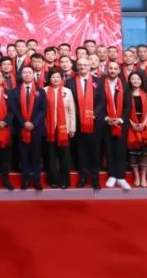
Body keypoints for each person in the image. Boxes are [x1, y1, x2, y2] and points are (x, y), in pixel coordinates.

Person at [69, 60, 102, 190]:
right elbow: (71, 103)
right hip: (78, 121)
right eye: (80, 65)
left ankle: (95, 178)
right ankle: (82, 177)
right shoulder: (70, 82)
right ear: (77, 67)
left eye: (85, 65)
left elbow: (102, 101)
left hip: (94, 122)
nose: (82, 67)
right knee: (81, 151)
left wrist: (94, 113)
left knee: (95, 150)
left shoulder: (99, 81)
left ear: (89, 66)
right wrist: (80, 115)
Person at [15, 67, 46, 191]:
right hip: (21, 128)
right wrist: (24, 123)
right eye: (24, 73)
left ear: (33, 74)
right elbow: (14, 110)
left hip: (36, 128)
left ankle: (36, 179)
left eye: (29, 72)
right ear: (21, 75)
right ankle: (26, 179)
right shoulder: (15, 91)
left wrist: (33, 123)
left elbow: (43, 110)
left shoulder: (41, 91)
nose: (27, 75)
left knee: (36, 155)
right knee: (23, 155)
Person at [100, 65, 130, 190]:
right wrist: (107, 118)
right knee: (109, 149)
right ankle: (112, 175)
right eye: (110, 68)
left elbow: (128, 105)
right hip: (106, 123)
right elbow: (99, 104)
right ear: (107, 70)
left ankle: (121, 177)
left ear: (118, 71)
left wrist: (120, 119)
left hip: (121, 123)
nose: (112, 71)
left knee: (120, 150)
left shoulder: (125, 85)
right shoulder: (101, 84)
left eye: (115, 69)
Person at [43, 71, 75, 190]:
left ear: (61, 79)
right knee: (50, 156)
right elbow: (41, 111)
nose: (56, 79)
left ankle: (65, 180)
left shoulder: (67, 91)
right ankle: (53, 180)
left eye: (58, 77)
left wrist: (72, 128)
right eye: (53, 77)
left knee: (64, 156)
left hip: (64, 128)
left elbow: (71, 111)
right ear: (49, 79)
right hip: (49, 128)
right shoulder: (44, 91)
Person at [126, 72, 147, 189]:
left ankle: (143, 177)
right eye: (133, 79)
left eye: (138, 79)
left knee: (144, 152)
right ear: (129, 80)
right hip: (131, 125)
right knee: (133, 152)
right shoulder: (126, 94)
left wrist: (144, 124)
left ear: (141, 81)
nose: (136, 81)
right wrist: (132, 124)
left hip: (144, 125)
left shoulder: (146, 95)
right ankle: (136, 176)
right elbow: (124, 111)